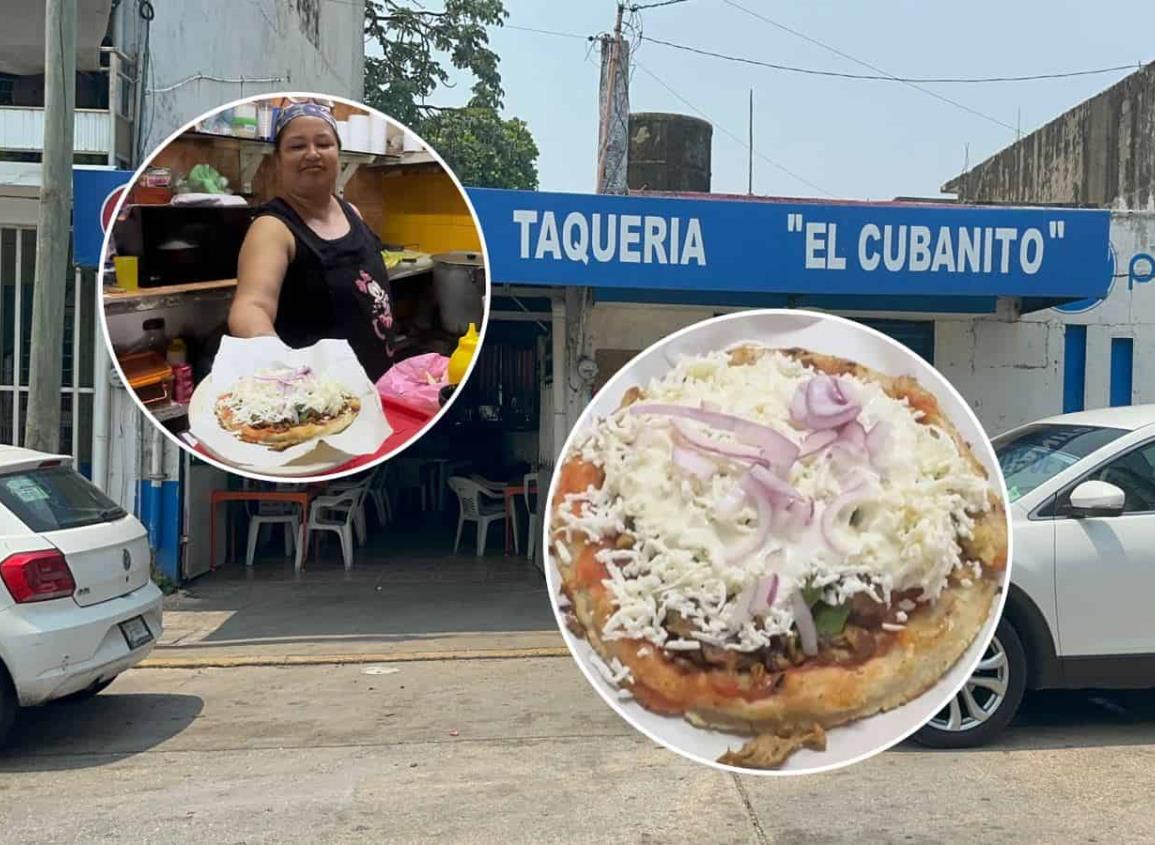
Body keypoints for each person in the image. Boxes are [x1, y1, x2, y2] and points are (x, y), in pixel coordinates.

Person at [229, 101, 398, 382]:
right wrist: (282, 366)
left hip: (378, 387)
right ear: (278, 160)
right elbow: (250, 308)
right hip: (319, 398)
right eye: (296, 146)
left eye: (324, 143)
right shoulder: (272, 227)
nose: (312, 154)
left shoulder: (351, 212)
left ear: (338, 154)